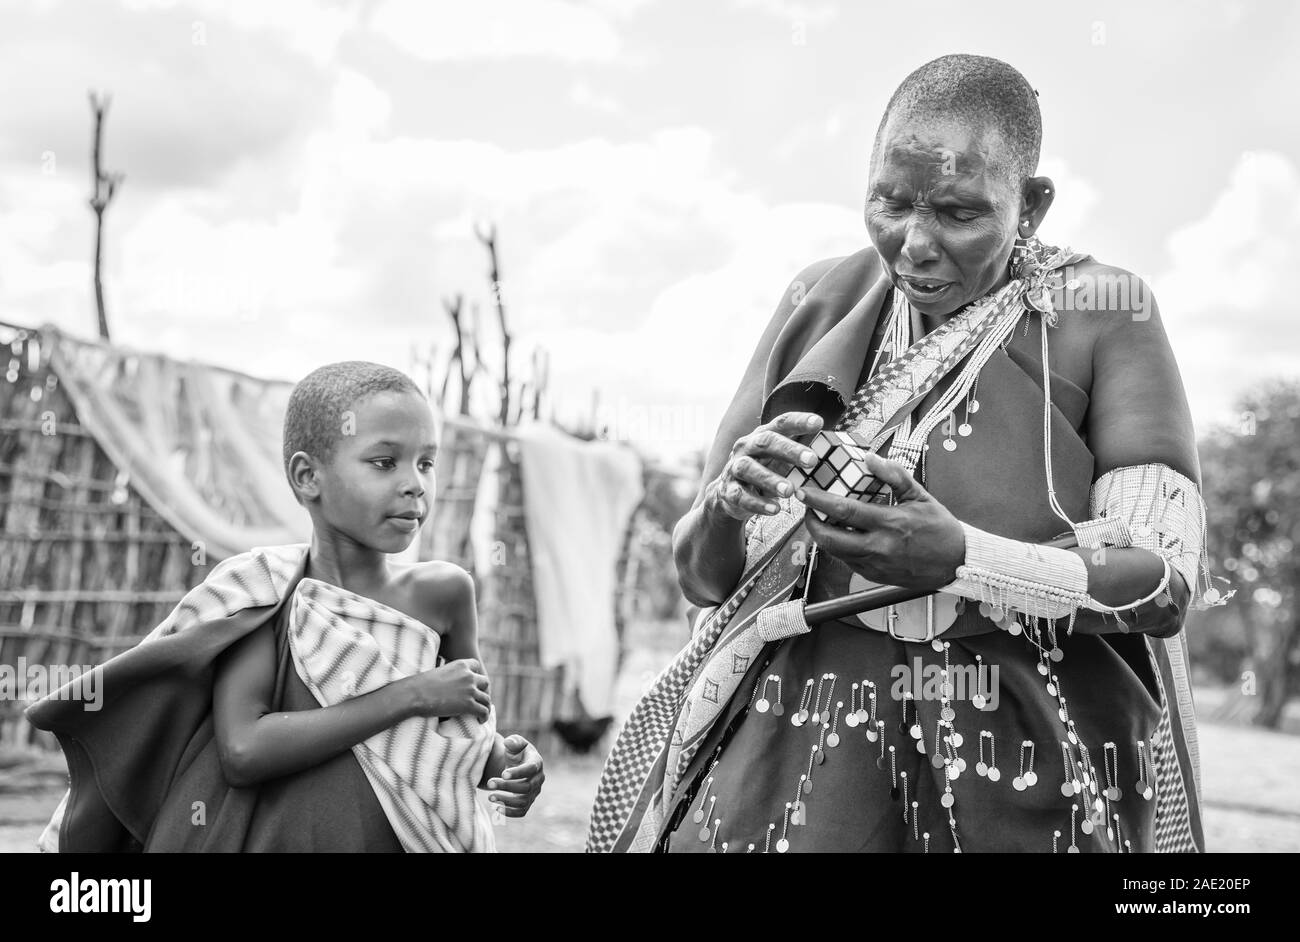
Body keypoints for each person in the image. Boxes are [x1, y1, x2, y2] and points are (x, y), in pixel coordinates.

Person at [588, 54, 1226, 853]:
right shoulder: (818, 299)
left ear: (1029, 204)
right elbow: (703, 577)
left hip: (1025, 753)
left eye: (960, 214)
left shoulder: (1106, 314)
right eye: (889, 204)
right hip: (798, 762)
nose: (914, 245)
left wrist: (964, 558)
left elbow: (1162, 582)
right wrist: (726, 505)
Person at [29, 361, 544, 852]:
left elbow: (460, 737)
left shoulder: (445, 594)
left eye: (426, 462)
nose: (415, 483)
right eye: (385, 462)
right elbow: (244, 750)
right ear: (307, 477)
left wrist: (508, 764)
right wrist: (410, 694)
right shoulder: (268, 597)